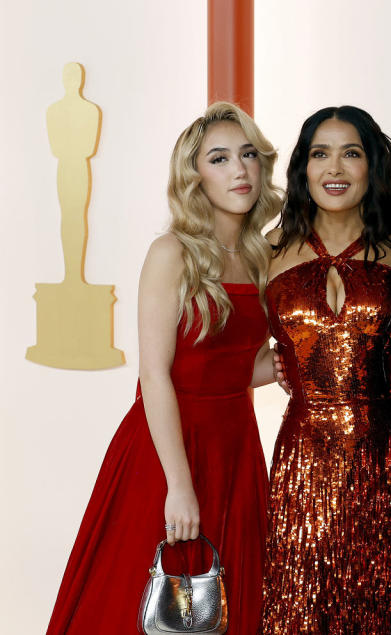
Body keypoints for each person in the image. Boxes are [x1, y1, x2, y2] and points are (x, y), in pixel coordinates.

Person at [46, 102, 283, 634]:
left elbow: (237, 367)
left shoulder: (264, 256)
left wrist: (295, 368)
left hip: (236, 447)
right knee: (148, 603)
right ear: (193, 177)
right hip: (166, 448)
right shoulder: (171, 252)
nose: (239, 169)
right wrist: (179, 484)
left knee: (227, 604)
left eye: (247, 154)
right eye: (219, 159)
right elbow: (155, 375)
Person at [260, 106, 391, 633]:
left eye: (351, 153)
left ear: (372, 166)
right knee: (301, 605)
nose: (335, 168)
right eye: (319, 153)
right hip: (302, 459)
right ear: (302, 168)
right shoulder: (267, 253)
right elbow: (223, 350)